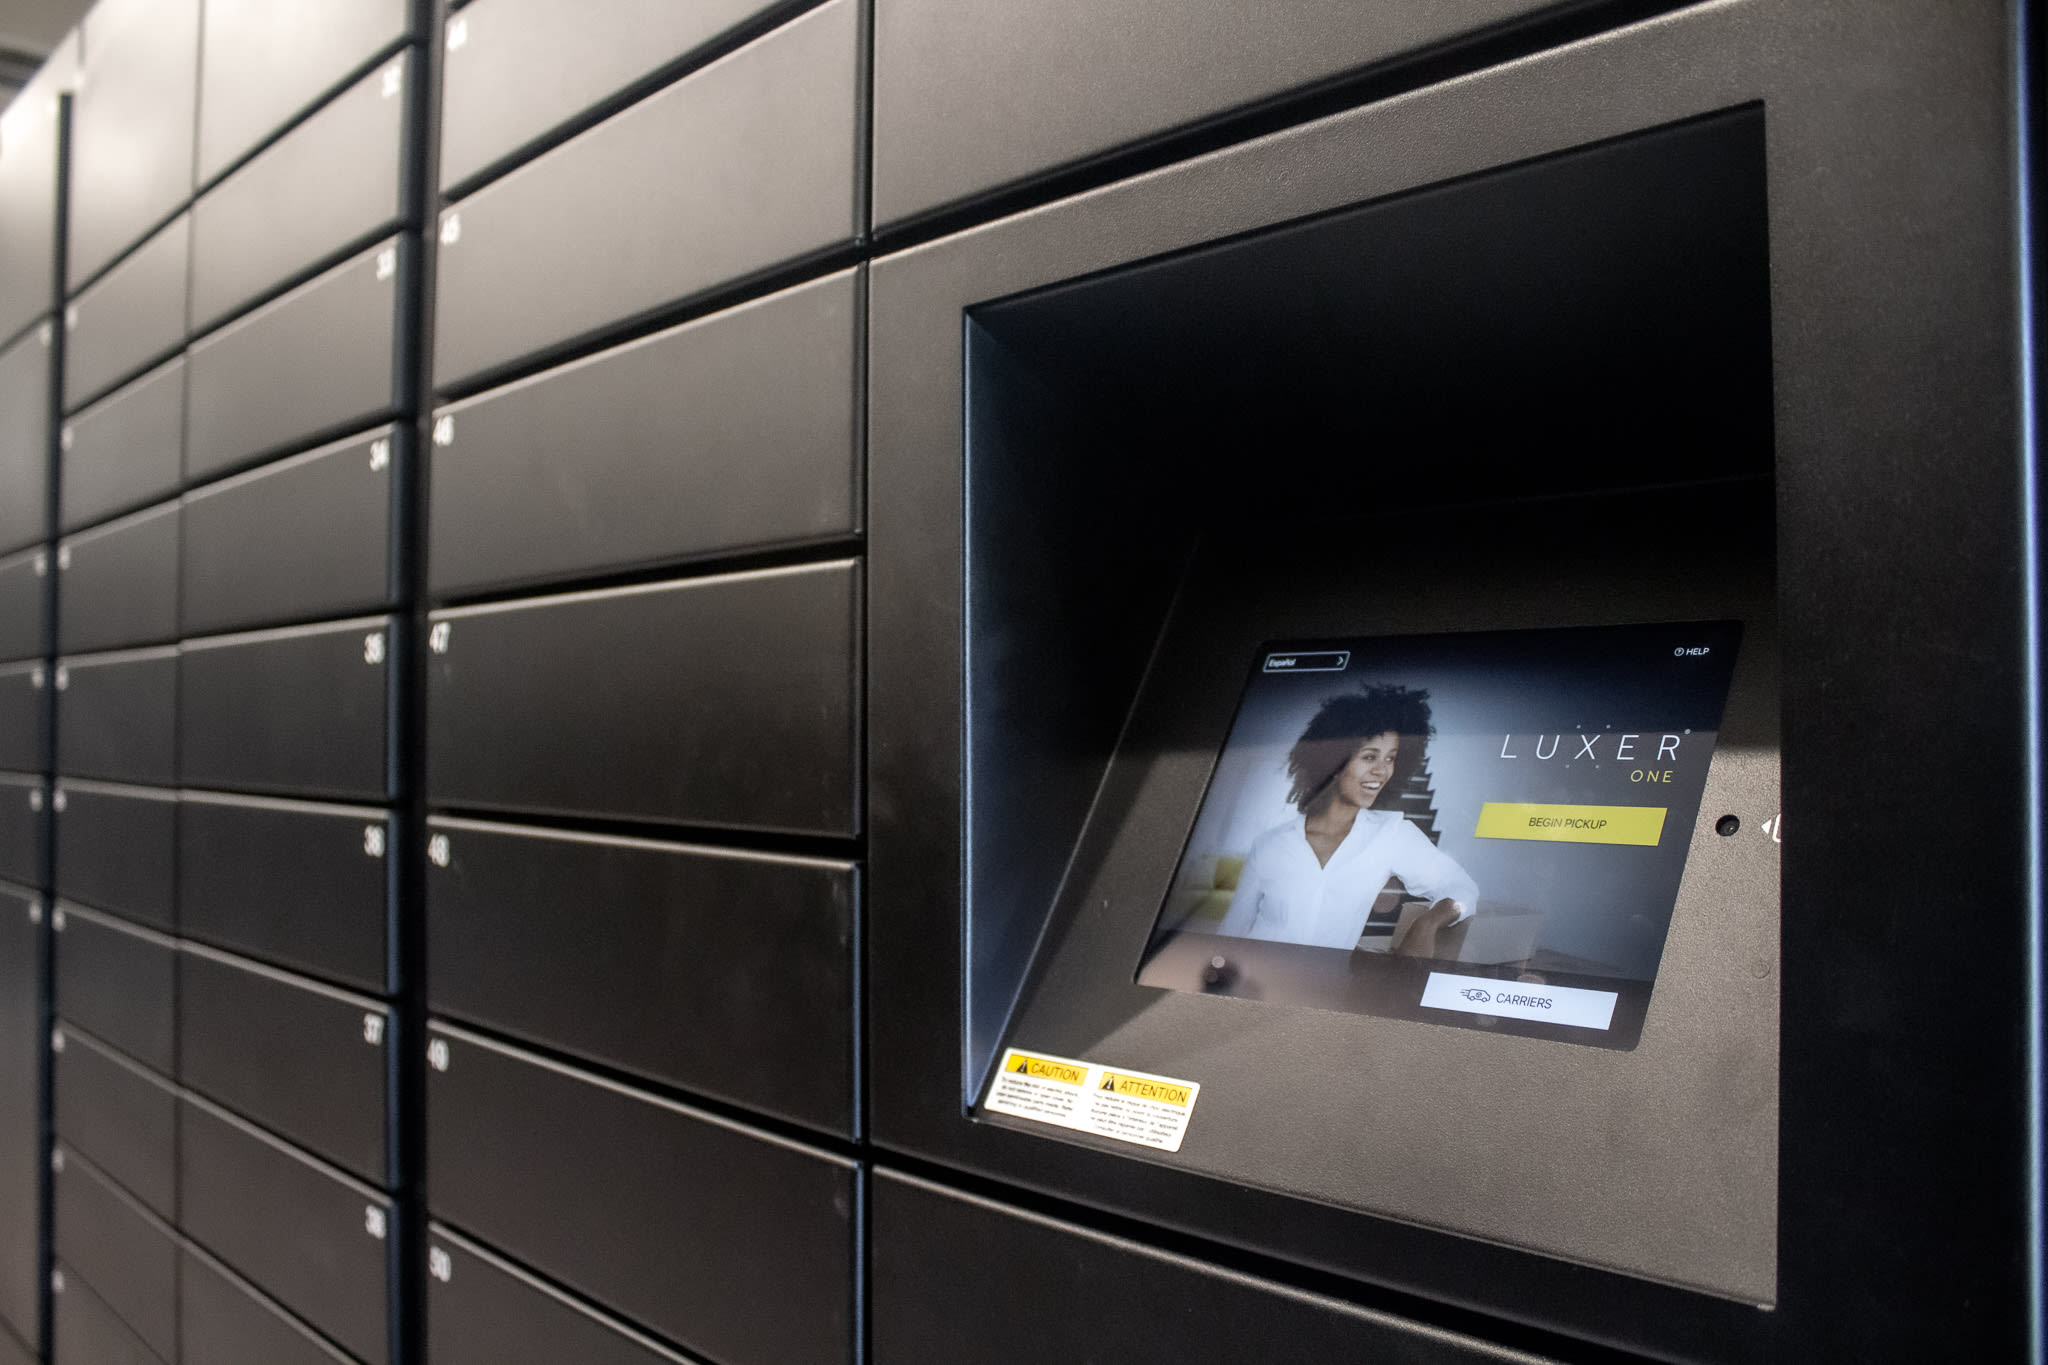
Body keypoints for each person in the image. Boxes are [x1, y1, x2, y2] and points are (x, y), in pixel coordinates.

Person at [1215, 684, 1478, 956]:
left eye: (1390, 758)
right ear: (1334, 763)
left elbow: (1462, 888)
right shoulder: (1270, 843)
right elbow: (1232, 932)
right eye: (1369, 757)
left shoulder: (1392, 834)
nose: (1382, 770)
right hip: (1256, 974)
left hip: (1322, 981)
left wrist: (1427, 923)